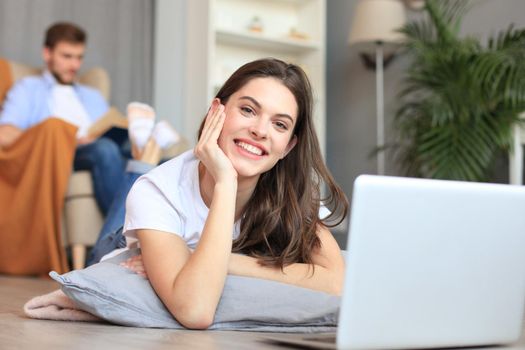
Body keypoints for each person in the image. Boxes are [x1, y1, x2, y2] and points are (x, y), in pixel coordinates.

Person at [97, 58, 349, 329]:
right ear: (217, 111)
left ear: (288, 147)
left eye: (280, 125)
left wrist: (224, 262)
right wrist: (226, 183)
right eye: (248, 110)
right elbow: (196, 311)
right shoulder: (159, 190)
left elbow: (336, 282)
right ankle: (142, 156)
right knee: (136, 183)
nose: (260, 130)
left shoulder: (293, 193)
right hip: (121, 244)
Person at [0, 22, 122, 214]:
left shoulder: (93, 95)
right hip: (68, 152)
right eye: (67, 56)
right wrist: (65, 139)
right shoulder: (28, 88)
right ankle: (126, 229)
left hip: (103, 145)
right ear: (47, 53)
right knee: (105, 150)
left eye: (79, 57)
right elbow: (5, 133)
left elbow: (108, 127)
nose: (75, 65)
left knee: (160, 158)